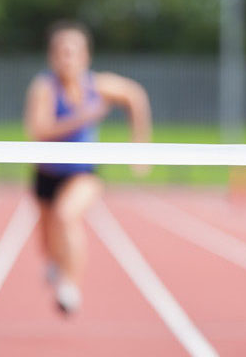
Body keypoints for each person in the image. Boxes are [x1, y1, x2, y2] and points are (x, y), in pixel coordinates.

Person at [24, 20, 152, 314]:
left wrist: (140, 146)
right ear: (51, 56)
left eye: (73, 52)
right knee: (47, 244)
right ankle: (57, 264)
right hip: (46, 173)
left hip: (83, 172)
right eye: (60, 52)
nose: (66, 58)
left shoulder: (98, 84)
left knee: (66, 215)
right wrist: (82, 117)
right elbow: (38, 129)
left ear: (86, 57)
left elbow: (135, 96)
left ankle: (71, 285)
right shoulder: (44, 87)